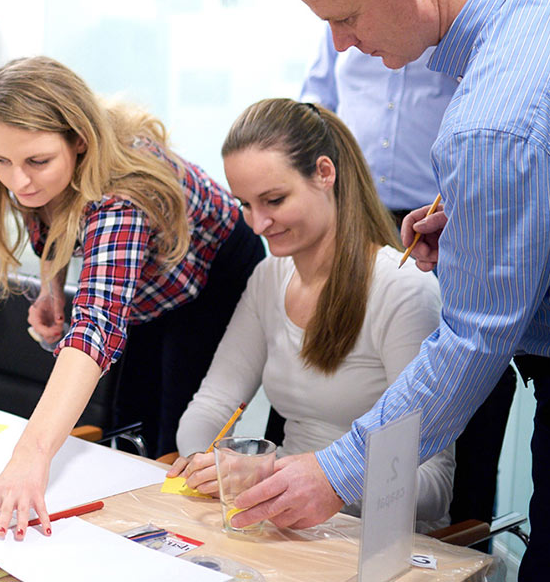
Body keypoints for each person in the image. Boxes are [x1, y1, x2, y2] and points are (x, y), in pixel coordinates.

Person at [232, 0, 550, 578]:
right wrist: (487, 221)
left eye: (348, 17)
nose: (342, 45)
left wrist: (336, 471)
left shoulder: (500, 118)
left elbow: (472, 344)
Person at [0, 56, 265, 538]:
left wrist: (30, 456)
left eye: (36, 162)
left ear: (79, 142)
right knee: (128, 421)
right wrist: (52, 287)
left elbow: (98, 328)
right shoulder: (34, 168)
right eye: (3, 161)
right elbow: (54, 220)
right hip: (146, 284)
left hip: (212, 277)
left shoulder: (120, 200)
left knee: (174, 440)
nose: (19, 181)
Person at [166, 98, 452, 533]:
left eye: (274, 200)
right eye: (244, 204)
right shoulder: (268, 278)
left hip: (376, 541)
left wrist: (313, 478)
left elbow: (433, 488)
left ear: (324, 174)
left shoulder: (404, 291)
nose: (257, 225)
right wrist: (207, 461)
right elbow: (211, 406)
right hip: (286, 521)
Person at [297, 0, 467, 223]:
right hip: (354, 208)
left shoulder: (465, 10)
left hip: (435, 213)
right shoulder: (349, 2)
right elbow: (318, 100)